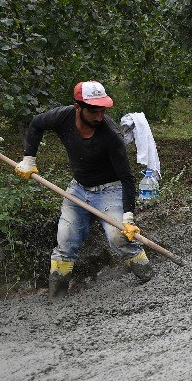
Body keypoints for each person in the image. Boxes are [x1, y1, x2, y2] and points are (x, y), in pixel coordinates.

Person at [13, 81, 153, 298]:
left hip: (110, 190)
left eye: (103, 110)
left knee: (119, 237)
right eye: (93, 111)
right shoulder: (62, 117)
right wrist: (29, 159)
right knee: (65, 242)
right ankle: (56, 297)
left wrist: (128, 218)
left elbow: (127, 177)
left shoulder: (111, 135)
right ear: (78, 107)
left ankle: (149, 281)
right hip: (78, 189)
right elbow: (36, 124)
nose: (99, 116)